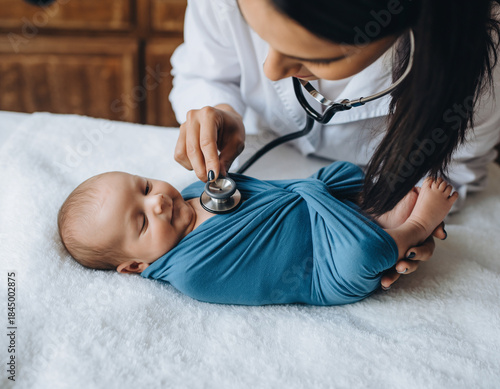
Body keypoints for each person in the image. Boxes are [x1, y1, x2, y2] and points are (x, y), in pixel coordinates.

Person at [169, 0, 500, 289]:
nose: (271, 72)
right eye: (261, 36)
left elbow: (448, 173)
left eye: (312, 56)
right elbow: (203, 73)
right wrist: (222, 110)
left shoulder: (478, 63)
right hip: (266, 150)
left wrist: (408, 220)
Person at [57, 162, 456, 305]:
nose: (157, 202)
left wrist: (315, 192)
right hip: (324, 269)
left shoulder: (196, 190)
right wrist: (313, 197)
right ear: (134, 265)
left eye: (144, 187)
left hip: (317, 210)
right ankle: (413, 227)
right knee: (364, 255)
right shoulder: (191, 272)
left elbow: (275, 191)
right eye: (142, 222)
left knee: (345, 174)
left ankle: (381, 217)